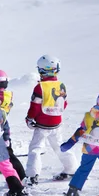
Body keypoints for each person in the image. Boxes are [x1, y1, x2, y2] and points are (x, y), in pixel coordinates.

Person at [25, 55, 76, 185]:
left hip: (42, 124)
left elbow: (35, 107)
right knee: (59, 146)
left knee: (35, 149)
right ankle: (71, 168)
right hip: (56, 122)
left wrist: (30, 118)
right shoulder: (61, 85)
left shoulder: (40, 87)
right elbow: (64, 104)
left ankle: (32, 175)